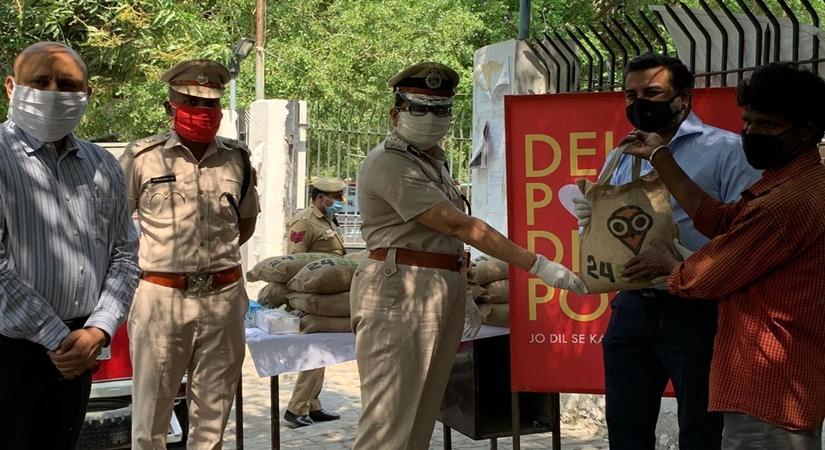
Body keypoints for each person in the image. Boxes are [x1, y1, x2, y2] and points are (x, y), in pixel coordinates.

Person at [350, 61, 586, 449]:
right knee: (389, 424)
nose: (430, 118)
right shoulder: (390, 162)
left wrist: (457, 283)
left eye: (440, 110)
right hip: (401, 291)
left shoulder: (431, 161)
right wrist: (537, 264)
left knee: (419, 419)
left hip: (436, 285)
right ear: (395, 113)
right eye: (419, 108)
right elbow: (459, 226)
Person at [622, 62, 825, 450]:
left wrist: (669, 266)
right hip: (770, 380)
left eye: (767, 125)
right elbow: (724, 219)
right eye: (747, 121)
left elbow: (706, 275)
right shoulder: (790, 183)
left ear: (807, 131)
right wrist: (661, 158)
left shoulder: (786, 203)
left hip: (768, 386)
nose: (751, 133)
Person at [573, 53, 760, 450]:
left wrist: (686, 263)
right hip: (632, 306)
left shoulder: (726, 150)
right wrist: (588, 217)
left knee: (702, 429)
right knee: (626, 427)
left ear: (683, 98)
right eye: (631, 94)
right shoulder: (622, 153)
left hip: (697, 307)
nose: (639, 103)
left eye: (653, 92)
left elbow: (744, 231)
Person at [0, 42, 140, 450]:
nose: (53, 93)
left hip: (80, 350)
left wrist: (99, 328)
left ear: (86, 95)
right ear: (12, 87)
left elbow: (125, 254)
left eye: (67, 84)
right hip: (13, 352)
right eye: (40, 82)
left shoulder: (102, 164)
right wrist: (56, 337)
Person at [121, 59, 260, 449]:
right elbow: (114, 225)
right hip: (161, 298)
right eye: (191, 103)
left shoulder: (237, 159)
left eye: (211, 104)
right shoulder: (141, 158)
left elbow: (243, 224)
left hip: (223, 299)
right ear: (170, 107)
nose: (204, 113)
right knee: (151, 420)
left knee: (212, 421)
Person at [282, 177, 347, 428]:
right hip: (312, 295)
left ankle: (312, 404)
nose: (339, 202)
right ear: (321, 198)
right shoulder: (304, 221)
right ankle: (296, 408)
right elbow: (295, 260)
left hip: (327, 293)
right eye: (335, 198)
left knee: (323, 349)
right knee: (316, 350)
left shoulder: (327, 218)